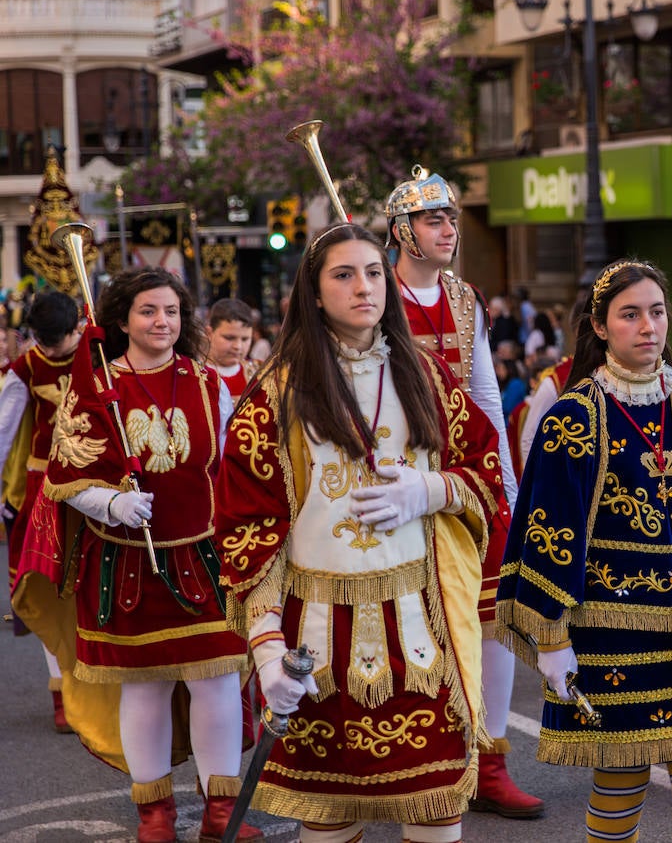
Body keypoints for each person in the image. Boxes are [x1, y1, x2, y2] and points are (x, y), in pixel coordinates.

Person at [216, 224, 504, 843]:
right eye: (343, 275)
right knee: (328, 817)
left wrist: (428, 492)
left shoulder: (425, 375)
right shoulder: (276, 392)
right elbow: (246, 528)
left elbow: (484, 467)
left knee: (435, 807)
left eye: (374, 272)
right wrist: (267, 650)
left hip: (420, 627)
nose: (363, 286)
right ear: (314, 294)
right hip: (314, 634)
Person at [495, 260, 672, 843]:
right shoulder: (572, 417)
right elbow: (548, 530)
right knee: (620, 779)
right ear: (600, 327)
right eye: (630, 315)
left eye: (656, 312)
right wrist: (551, 639)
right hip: (608, 631)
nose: (647, 326)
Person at [32, 268, 257, 842]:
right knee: (146, 685)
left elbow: (231, 463)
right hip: (127, 563)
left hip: (206, 556)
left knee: (218, 682)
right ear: (123, 320)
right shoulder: (98, 385)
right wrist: (108, 502)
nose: (162, 322)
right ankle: (153, 813)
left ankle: (221, 808)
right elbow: (65, 472)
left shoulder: (208, 382)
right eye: (148, 312)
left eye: (172, 312)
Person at [383, 167, 541, 818]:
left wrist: (505, 482)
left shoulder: (466, 298)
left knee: (491, 623)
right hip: (395, 483)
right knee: (405, 629)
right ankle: (415, 763)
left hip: (468, 483)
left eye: (451, 218)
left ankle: (490, 758)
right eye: (432, 219)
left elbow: (483, 397)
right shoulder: (374, 296)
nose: (448, 228)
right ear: (401, 231)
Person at [0, 291, 83, 728]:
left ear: (78, 328)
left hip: (101, 489)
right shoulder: (25, 368)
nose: (50, 352)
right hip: (45, 489)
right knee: (49, 589)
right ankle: (62, 695)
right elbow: (2, 431)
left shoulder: (105, 356)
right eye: (43, 342)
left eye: (60, 342)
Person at [204, 297, 260, 401]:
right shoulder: (193, 375)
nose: (238, 346)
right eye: (229, 338)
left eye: (245, 339)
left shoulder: (260, 375)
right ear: (209, 333)